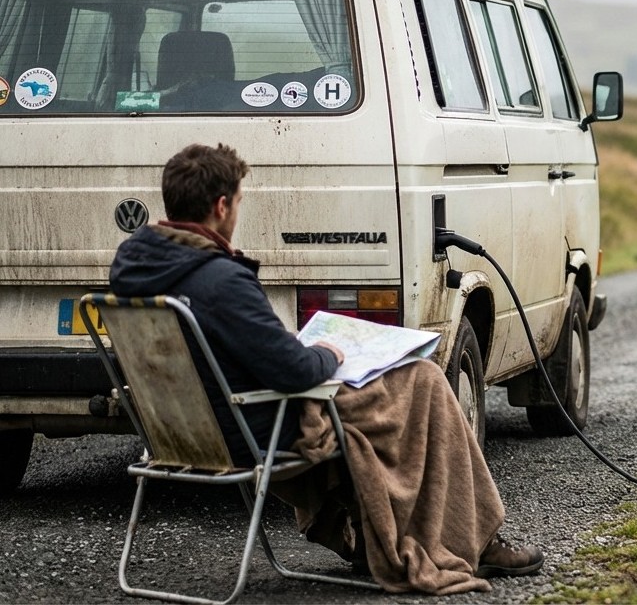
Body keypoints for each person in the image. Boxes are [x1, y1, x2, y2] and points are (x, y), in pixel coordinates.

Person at [109, 143, 542, 593]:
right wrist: (329, 355)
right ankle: (475, 541)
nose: (237, 213)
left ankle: (375, 535)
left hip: (179, 432)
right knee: (426, 381)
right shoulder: (220, 279)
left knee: (405, 390)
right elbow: (296, 372)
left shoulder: (134, 268)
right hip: (255, 428)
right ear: (220, 207)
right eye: (238, 202)